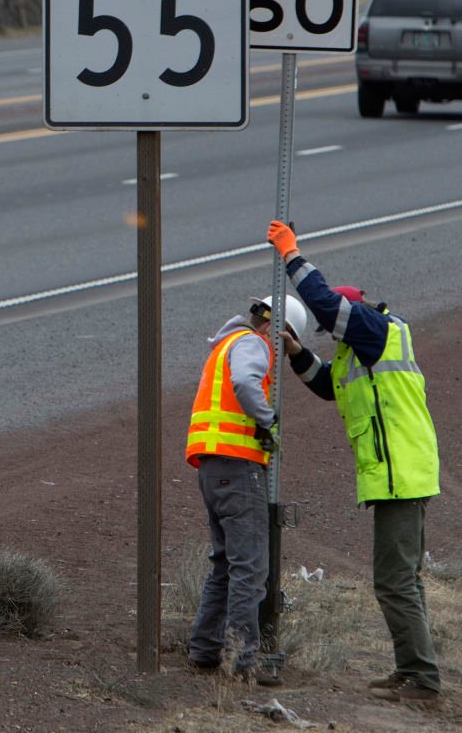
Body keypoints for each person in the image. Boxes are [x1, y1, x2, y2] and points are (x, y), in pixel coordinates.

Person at [267, 219, 442, 704]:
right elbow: (328, 386)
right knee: (403, 581)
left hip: (401, 476)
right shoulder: (356, 351)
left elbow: (323, 301)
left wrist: (290, 253)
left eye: (331, 328)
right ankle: (413, 669)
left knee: (392, 582)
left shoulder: (372, 327)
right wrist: (298, 352)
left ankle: (423, 679)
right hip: (401, 475)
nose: (330, 334)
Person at [184, 294, 306, 682]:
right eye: (284, 345)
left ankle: (204, 650)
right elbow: (244, 381)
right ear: (277, 329)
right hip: (237, 468)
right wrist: (268, 420)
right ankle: (241, 661)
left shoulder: (227, 344)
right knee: (249, 567)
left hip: (213, 466)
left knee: (225, 564)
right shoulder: (252, 344)